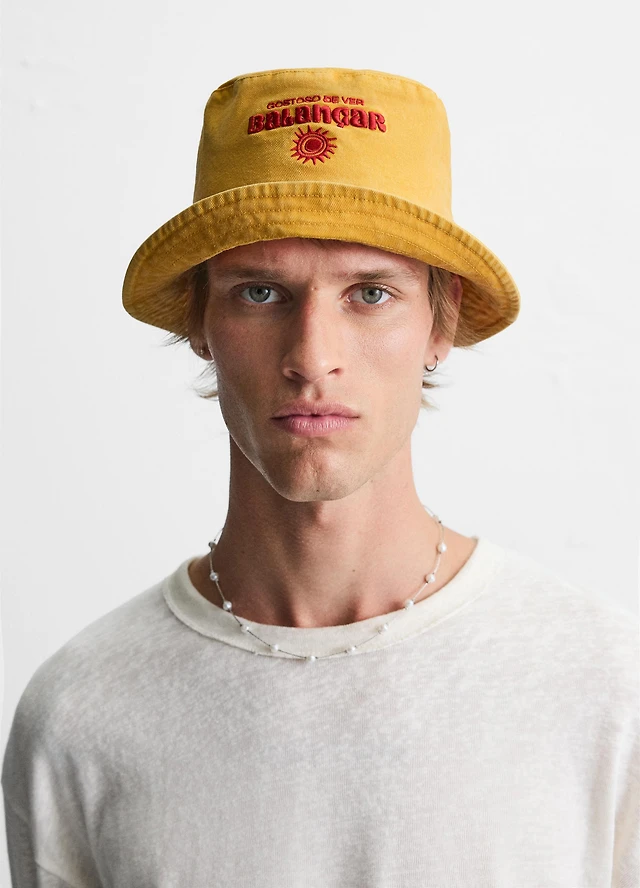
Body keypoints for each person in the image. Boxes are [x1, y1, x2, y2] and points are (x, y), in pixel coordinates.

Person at [2, 67, 638, 887]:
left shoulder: (601, 688)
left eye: (370, 293)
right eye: (260, 292)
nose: (311, 357)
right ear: (200, 320)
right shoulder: (83, 713)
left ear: (440, 322)